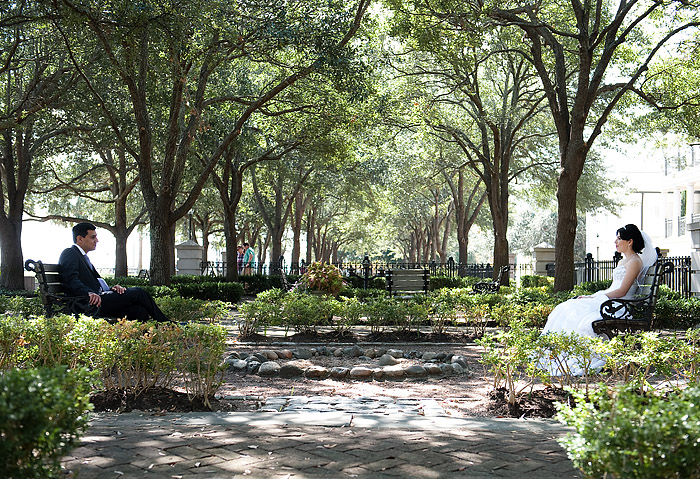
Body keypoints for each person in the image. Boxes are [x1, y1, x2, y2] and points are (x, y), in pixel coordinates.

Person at [540, 224, 656, 374]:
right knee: (566, 306)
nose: (616, 241)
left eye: (619, 238)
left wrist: (597, 297)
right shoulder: (623, 261)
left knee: (574, 311)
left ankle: (579, 358)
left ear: (630, 242)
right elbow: (613, 288)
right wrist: (592, 296)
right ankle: (556, 356)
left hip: (620, 306)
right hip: (612, 301)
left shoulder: (635, 262)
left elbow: (622, 290)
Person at [58, 222, 171, 323]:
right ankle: (166, 323)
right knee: (138, 293)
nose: (96, 240)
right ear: (80, 239)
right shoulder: (70, 253)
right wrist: (88, 293)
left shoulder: (83, 257)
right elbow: (70, 280)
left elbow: (97, 282)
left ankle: (144, 340)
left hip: (99, 298)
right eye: (93, 237)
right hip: (88, 303)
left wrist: (111, 288)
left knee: (139, 311)